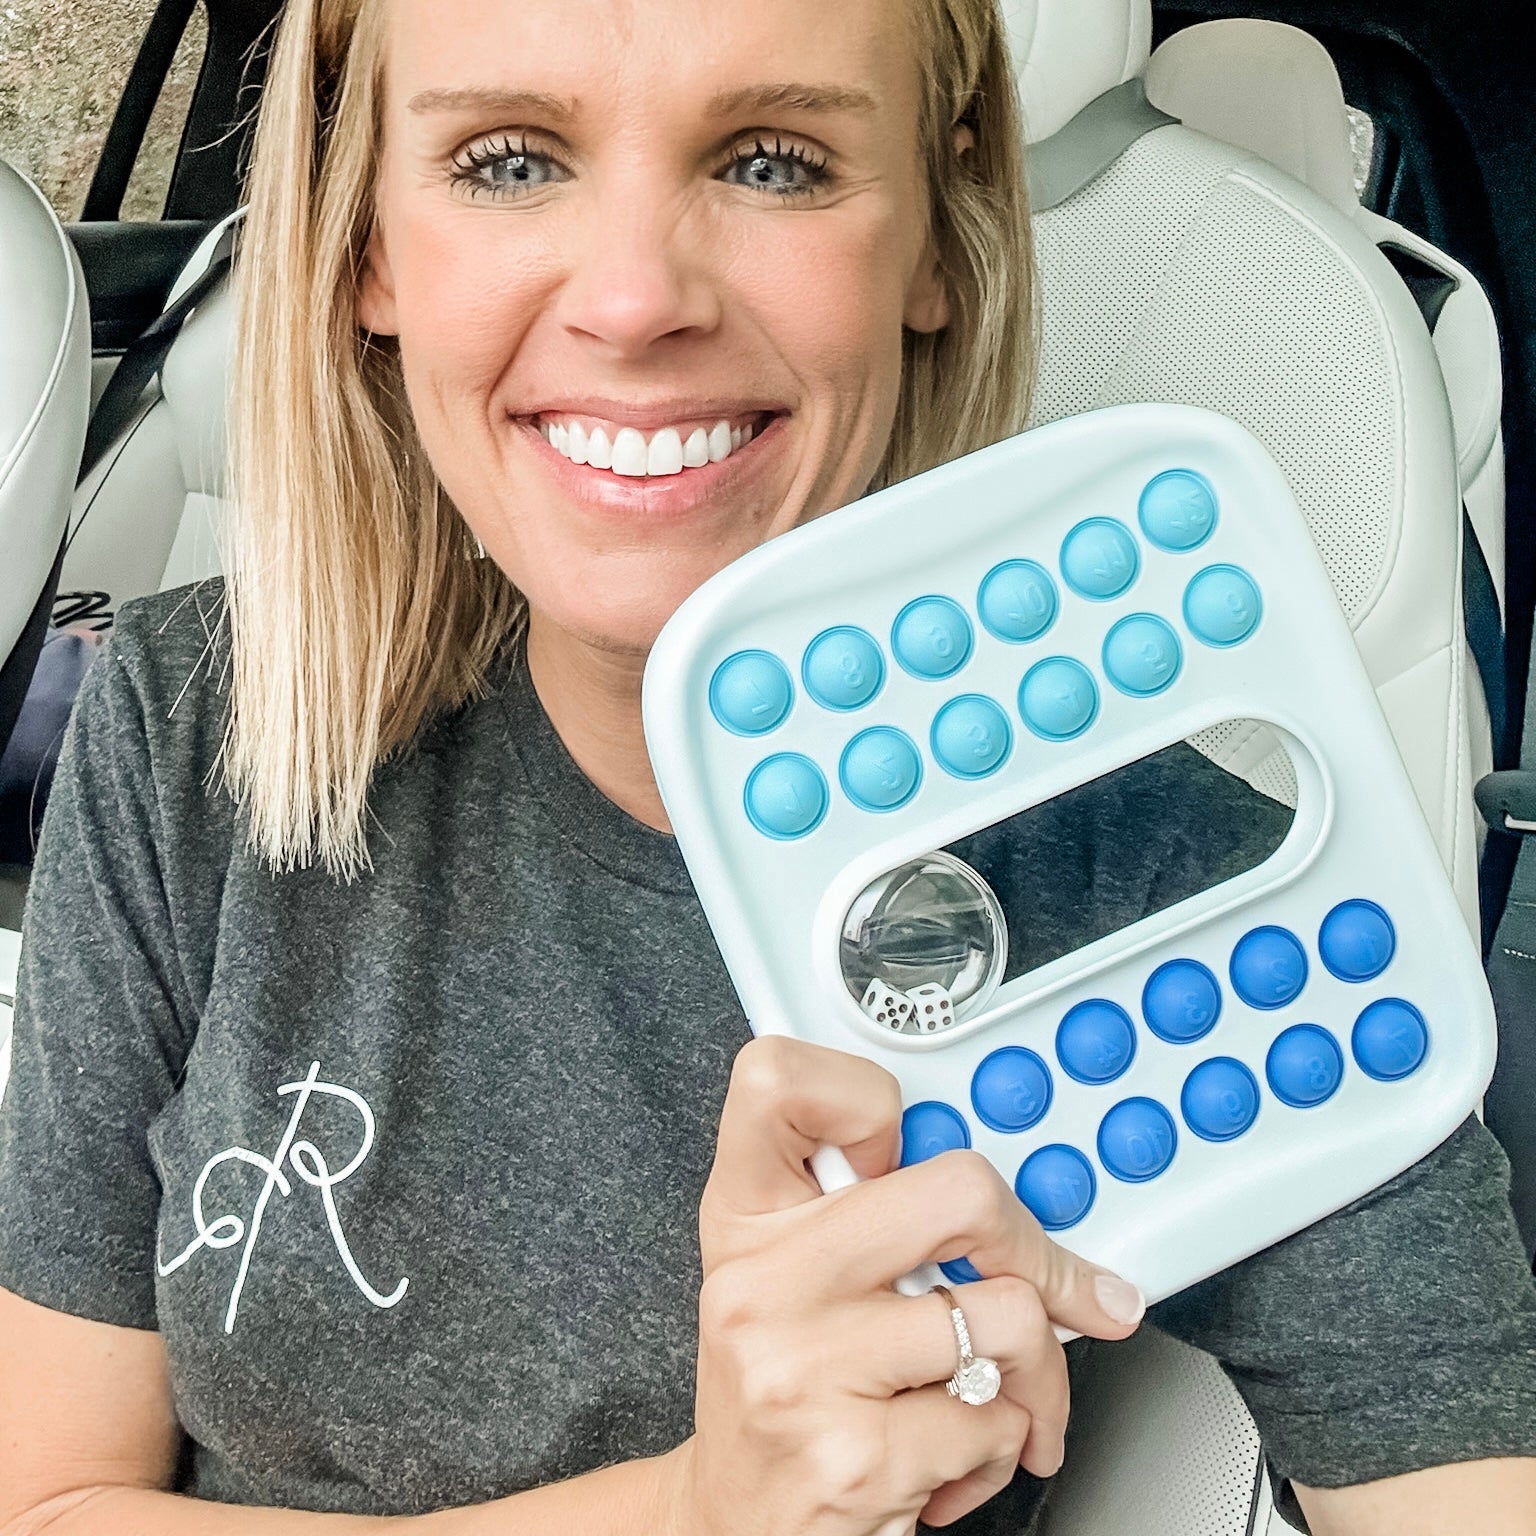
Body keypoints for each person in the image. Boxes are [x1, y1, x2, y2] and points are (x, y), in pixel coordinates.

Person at [1, 0, 1534, 1532]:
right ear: (372, 251)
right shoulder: (193, 726)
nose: (631, 298)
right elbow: (56, 1500)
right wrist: (693, 1512)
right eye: (511, 159)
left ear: (940, 238)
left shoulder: (1199, 917)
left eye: (778, 162)